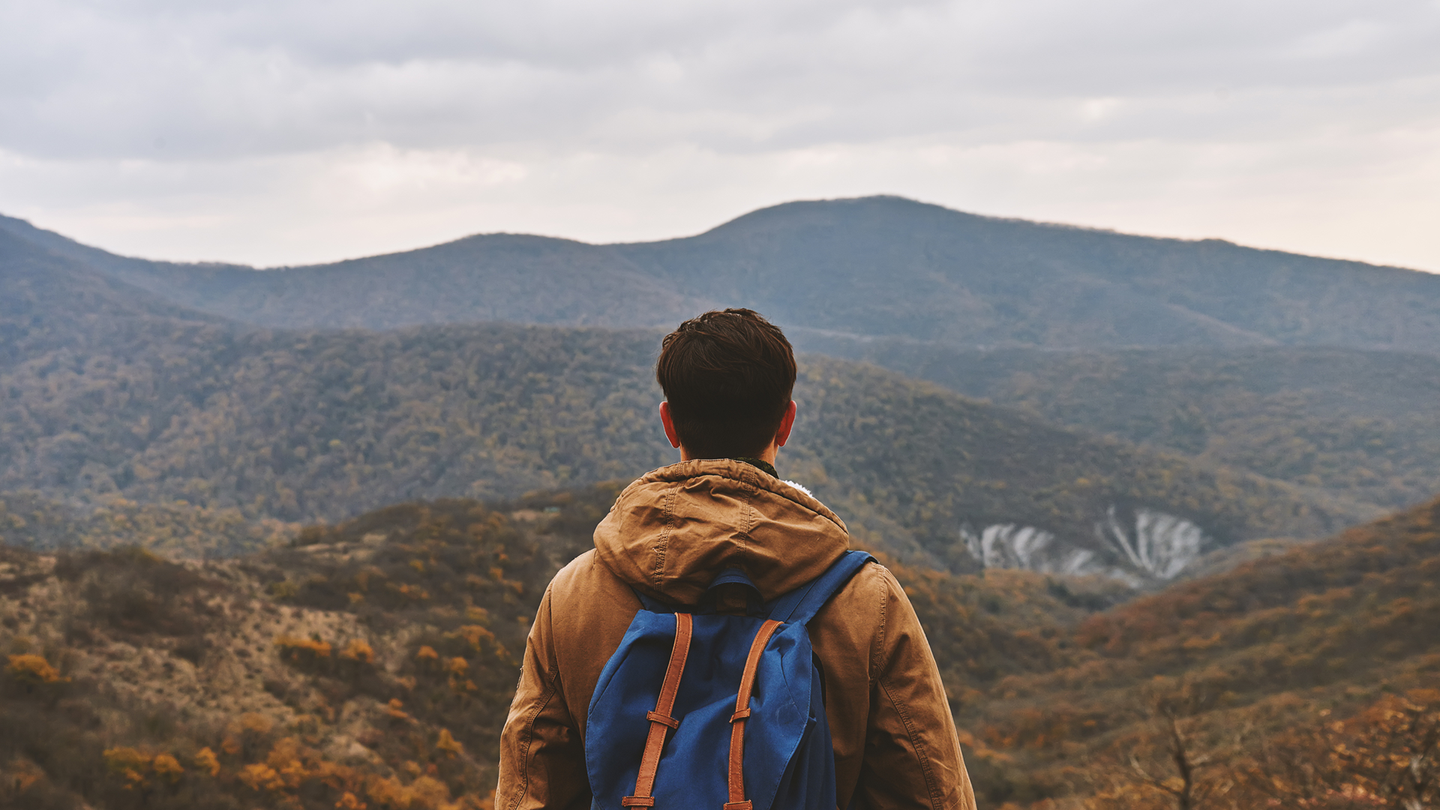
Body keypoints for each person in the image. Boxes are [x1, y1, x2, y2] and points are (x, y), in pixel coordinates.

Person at [496, 308, 976, 810]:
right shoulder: (866, 601)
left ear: (669, 423)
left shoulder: (576, 594)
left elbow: (530, 788)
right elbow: (930, 790)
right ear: (786, 421)